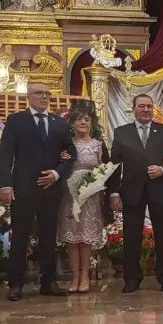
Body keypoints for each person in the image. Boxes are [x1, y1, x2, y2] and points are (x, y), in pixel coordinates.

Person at [0, 82, 75, 301]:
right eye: (40, 93)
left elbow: (70, 154)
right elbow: (5, 155)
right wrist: (5, 184)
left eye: (47, 93)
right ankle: (16, 284)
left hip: (51, 189)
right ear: (29, 96)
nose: (44, 97)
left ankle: (48, 282)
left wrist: (57, 173)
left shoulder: (59, 123)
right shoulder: (16, 121)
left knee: (48, 238)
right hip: (23, 188)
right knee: (20, 237)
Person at [107, 94, 163, 293]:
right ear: (133, 109)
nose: (146, 109)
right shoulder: (121, 132)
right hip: (131, 192)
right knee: (131, 236)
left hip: (159, 190)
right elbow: (114, 166)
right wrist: (114, 193)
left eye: (149, 106)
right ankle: (132, 279)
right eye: (141, 106)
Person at [57, 104, 109, 293]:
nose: (83, 122)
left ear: (92, 123)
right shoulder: (66, 144)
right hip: (70, 195)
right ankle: (75, 277)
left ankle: (85, 275)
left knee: (86, 238)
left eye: (87, 119)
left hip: (91, 196)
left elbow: (104, 169)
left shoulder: (98, 144)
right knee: (73, 239)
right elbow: (60, 167)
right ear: (72, 122)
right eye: (79, 119)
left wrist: (96, 184)